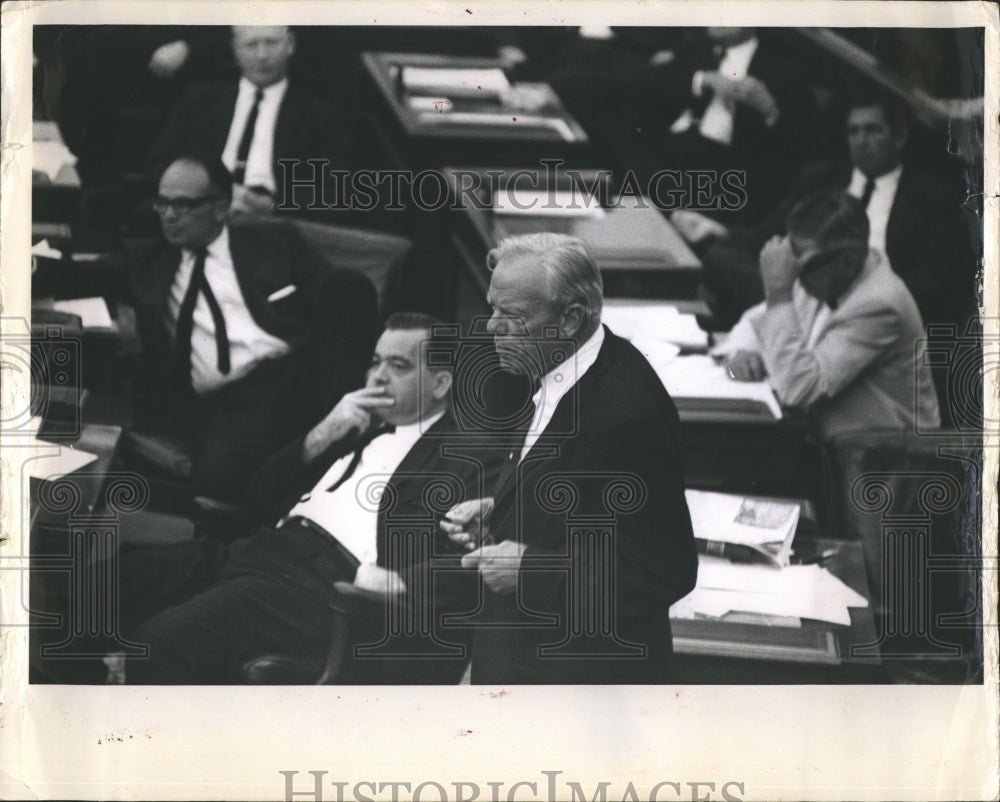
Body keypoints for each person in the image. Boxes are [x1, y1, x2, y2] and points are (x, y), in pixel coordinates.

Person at [111, 314, 498, 684]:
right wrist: (323, 432)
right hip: (256, 550)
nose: (379, 376)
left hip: (320, 585)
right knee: (97, 590)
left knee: (159, 645)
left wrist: (399, 582)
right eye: (375, 362)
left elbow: (478, 558)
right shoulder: (353, 425)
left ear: (440, 385)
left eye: (398, 366)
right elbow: (254, 501)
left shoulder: (465, 456)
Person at [441, 233, 698, 683]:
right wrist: (505, 509)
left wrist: (530, 570)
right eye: (492, 308)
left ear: (570, 318)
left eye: (511, 316)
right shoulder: (560, 365)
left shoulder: (625, 415)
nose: (490, 327)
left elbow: (663, 572)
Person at [125, 155, 377, 499]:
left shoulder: (275, 242)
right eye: (162, 203)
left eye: (183, 205)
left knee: (350, 285)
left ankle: (346, 431)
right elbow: (80, 274)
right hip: (234, 401)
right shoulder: (148, 263)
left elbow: (336, 302)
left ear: (220, 208)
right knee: (217, 483)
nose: (168, 215)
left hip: (297, 373)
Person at [684, 93, 976, 336]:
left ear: (899, 138)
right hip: (803, 291)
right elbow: (770, 233)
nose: (861, 140)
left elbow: (935, 279)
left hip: (873, 308)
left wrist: (864, 296)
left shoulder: (930, 196)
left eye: (873, 130)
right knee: (722, 256)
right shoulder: (821, 178)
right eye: (853, 131)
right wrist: (721, 231)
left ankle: (792, 326)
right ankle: (798, 322)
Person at [713, 191, 940, 440]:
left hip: (886, 452)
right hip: (828, 439)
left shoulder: (881, 304)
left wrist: (779, 294)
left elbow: (799, 390)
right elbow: (758, 321)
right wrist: (741, 352)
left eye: (802, 267)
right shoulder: (822, 272)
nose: (794, 276)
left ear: (848, 262)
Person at [146, 26, 349, 219]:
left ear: (290, 45)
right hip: (203, 215)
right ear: (235, 50)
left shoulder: (317, 115)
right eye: (251, 45)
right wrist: (203, 190)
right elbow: (159, 162)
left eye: (271, 43)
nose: (262, 55)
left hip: (275, 222)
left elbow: (333, 189)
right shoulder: (200, 102)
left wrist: (273, 206)